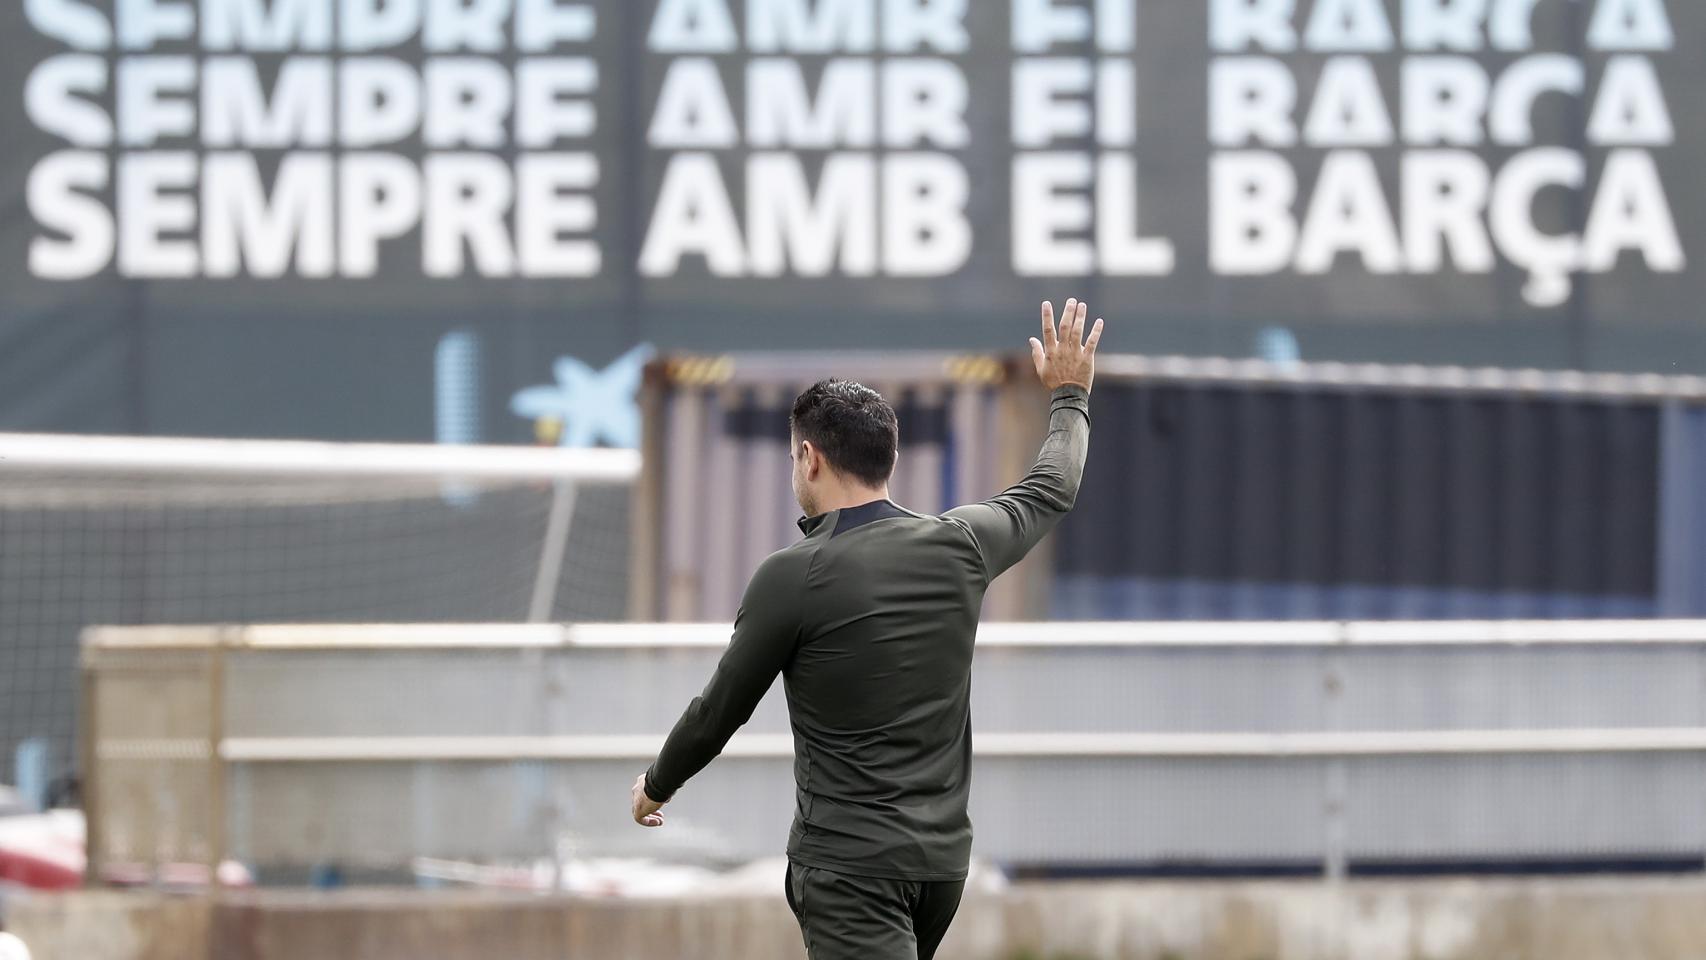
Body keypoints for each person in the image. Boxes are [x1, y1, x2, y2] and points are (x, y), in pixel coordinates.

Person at [630, 299, 1104, 960]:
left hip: (852, 871)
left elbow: (721, 709)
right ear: (891, 456)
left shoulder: (791, 576)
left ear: (809, 457)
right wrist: (1070, 394)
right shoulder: (962, 543)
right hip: (940, 868)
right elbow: (1055, 484)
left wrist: (656, 782)